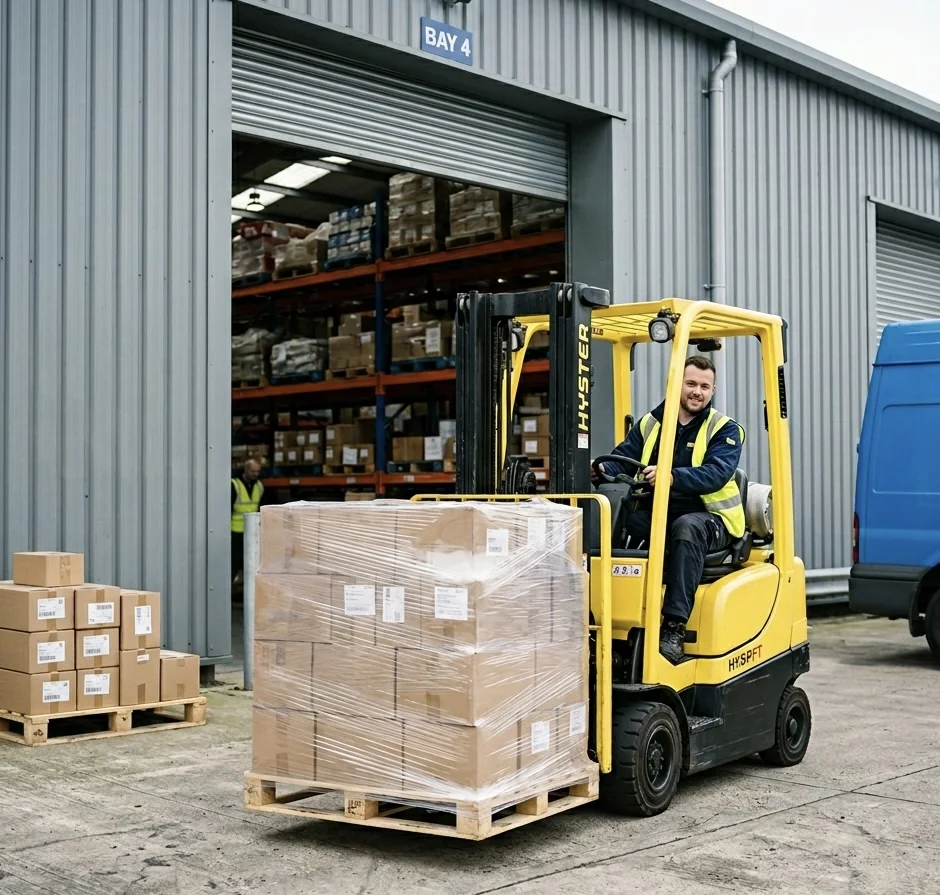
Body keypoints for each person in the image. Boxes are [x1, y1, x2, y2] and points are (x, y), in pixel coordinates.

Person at [595, 355, 745, 664]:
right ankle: (606, 613)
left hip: (712, 521)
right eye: (691, 384)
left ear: (712, 390)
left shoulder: (725, 430)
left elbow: (715, 473)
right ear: (676, 384)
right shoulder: (652, 423)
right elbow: (623, 455)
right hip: (660, 515)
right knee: (619, 514)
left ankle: (674, 627)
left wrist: (672, 476)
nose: (697, 392)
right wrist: (598, 468)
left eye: (704, 387)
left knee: (685, 527)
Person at [231, 458, 264, 591]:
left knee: (251, 564)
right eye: (252, 471)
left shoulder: (259, 486)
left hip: (251, 532)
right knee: (234, 563)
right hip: (235, 531)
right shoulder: (235, 485)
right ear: (245, 470)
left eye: (257, 471)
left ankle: (249, 592)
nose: (255, 474)